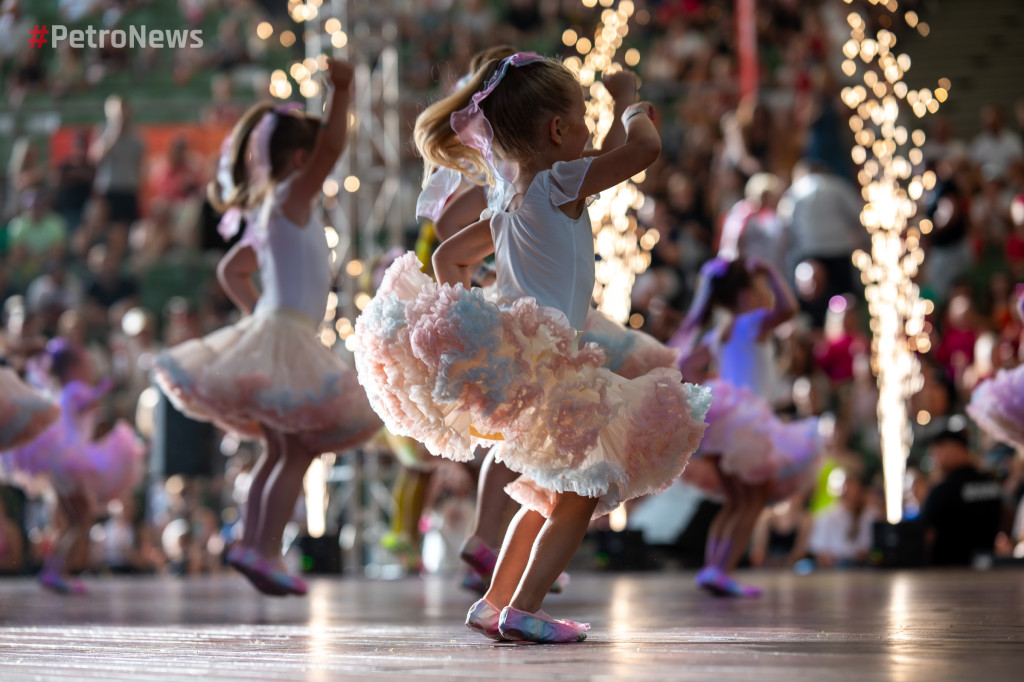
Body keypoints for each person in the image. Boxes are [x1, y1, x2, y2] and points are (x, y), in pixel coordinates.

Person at [356, 52, 710, 642]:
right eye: (583, 122)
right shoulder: (558, 181)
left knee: (548, 496)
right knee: (580, 495)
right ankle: (525, 607)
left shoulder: (507, 198)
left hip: (528, 371)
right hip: (561, 371)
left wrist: (470, 325)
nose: (591, 134)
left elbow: (448, 258)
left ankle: (495, 603)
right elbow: (643, 150)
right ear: (557, 131)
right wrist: (632, 100)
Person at [153, 59, 382, 596]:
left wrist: (260, 315)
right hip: (288, 334)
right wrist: (342, 92)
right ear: (299, 161)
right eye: (312, 163)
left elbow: (230, 271)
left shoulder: (267, 210)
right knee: (296, 451)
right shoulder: (291, 198)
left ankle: (252, 544)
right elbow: (331, 149)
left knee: (281, 451)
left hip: (278, 331)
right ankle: (262, 548)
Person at [672, 256, 822, 596]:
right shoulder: (751, 322)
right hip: (748, 422)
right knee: (752, 501)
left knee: (735, 502)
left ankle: (712, 569)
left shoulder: (720, 332)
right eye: (760, 289)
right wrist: (771, 269)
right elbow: (788, 310)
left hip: (721, 420)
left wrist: (710, 387)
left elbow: (685, 365)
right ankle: (721, 570)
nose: (766, 294)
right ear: (745, 297)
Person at [4, 340, 143, 594]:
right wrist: (113, 379)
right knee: (80, 521)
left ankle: (54, 571)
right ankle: (56, 571)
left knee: (71, 522)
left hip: (63, 463)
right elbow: (92, 401)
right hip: (72, 464)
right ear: (75, 367)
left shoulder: (63, 391)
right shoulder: (75, 390)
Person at [920, 419, 1003, 566]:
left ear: (958, 449)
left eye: (939, 448)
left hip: (946, 572)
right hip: (987, 568)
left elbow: (927, 535)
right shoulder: (990, 483)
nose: (934, 455)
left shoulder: (943, 490)